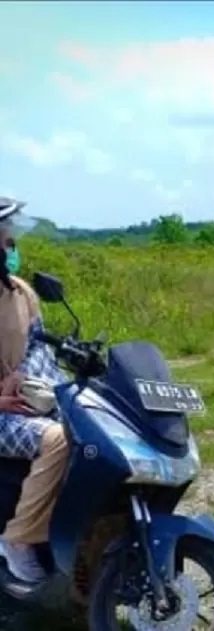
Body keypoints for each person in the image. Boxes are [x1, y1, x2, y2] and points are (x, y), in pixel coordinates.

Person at [0, 196, 69, 583]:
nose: (11, 248)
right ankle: (18, 539)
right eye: (5, 240)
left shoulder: (22, 293)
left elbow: (40, 345)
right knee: (59, 440)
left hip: (21, 403)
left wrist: (25, 381)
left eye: (11, 239)